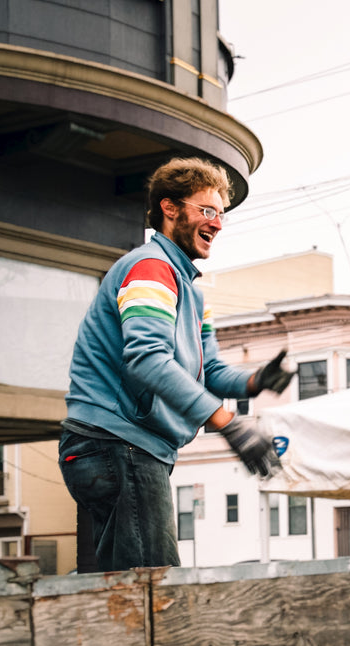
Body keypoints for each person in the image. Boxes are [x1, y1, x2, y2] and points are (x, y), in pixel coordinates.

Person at [60, 157, 293, 572]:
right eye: (207, 211)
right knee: (153, 586)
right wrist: (229, 424)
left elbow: (210, 372)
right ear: (169, 209)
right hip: (118, 444)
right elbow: (147, 360)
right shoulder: (151, 269)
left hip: (124, 449)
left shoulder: (191, 292)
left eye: (220, 214)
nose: (218, 224)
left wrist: (255, 382)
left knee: (128, 586)